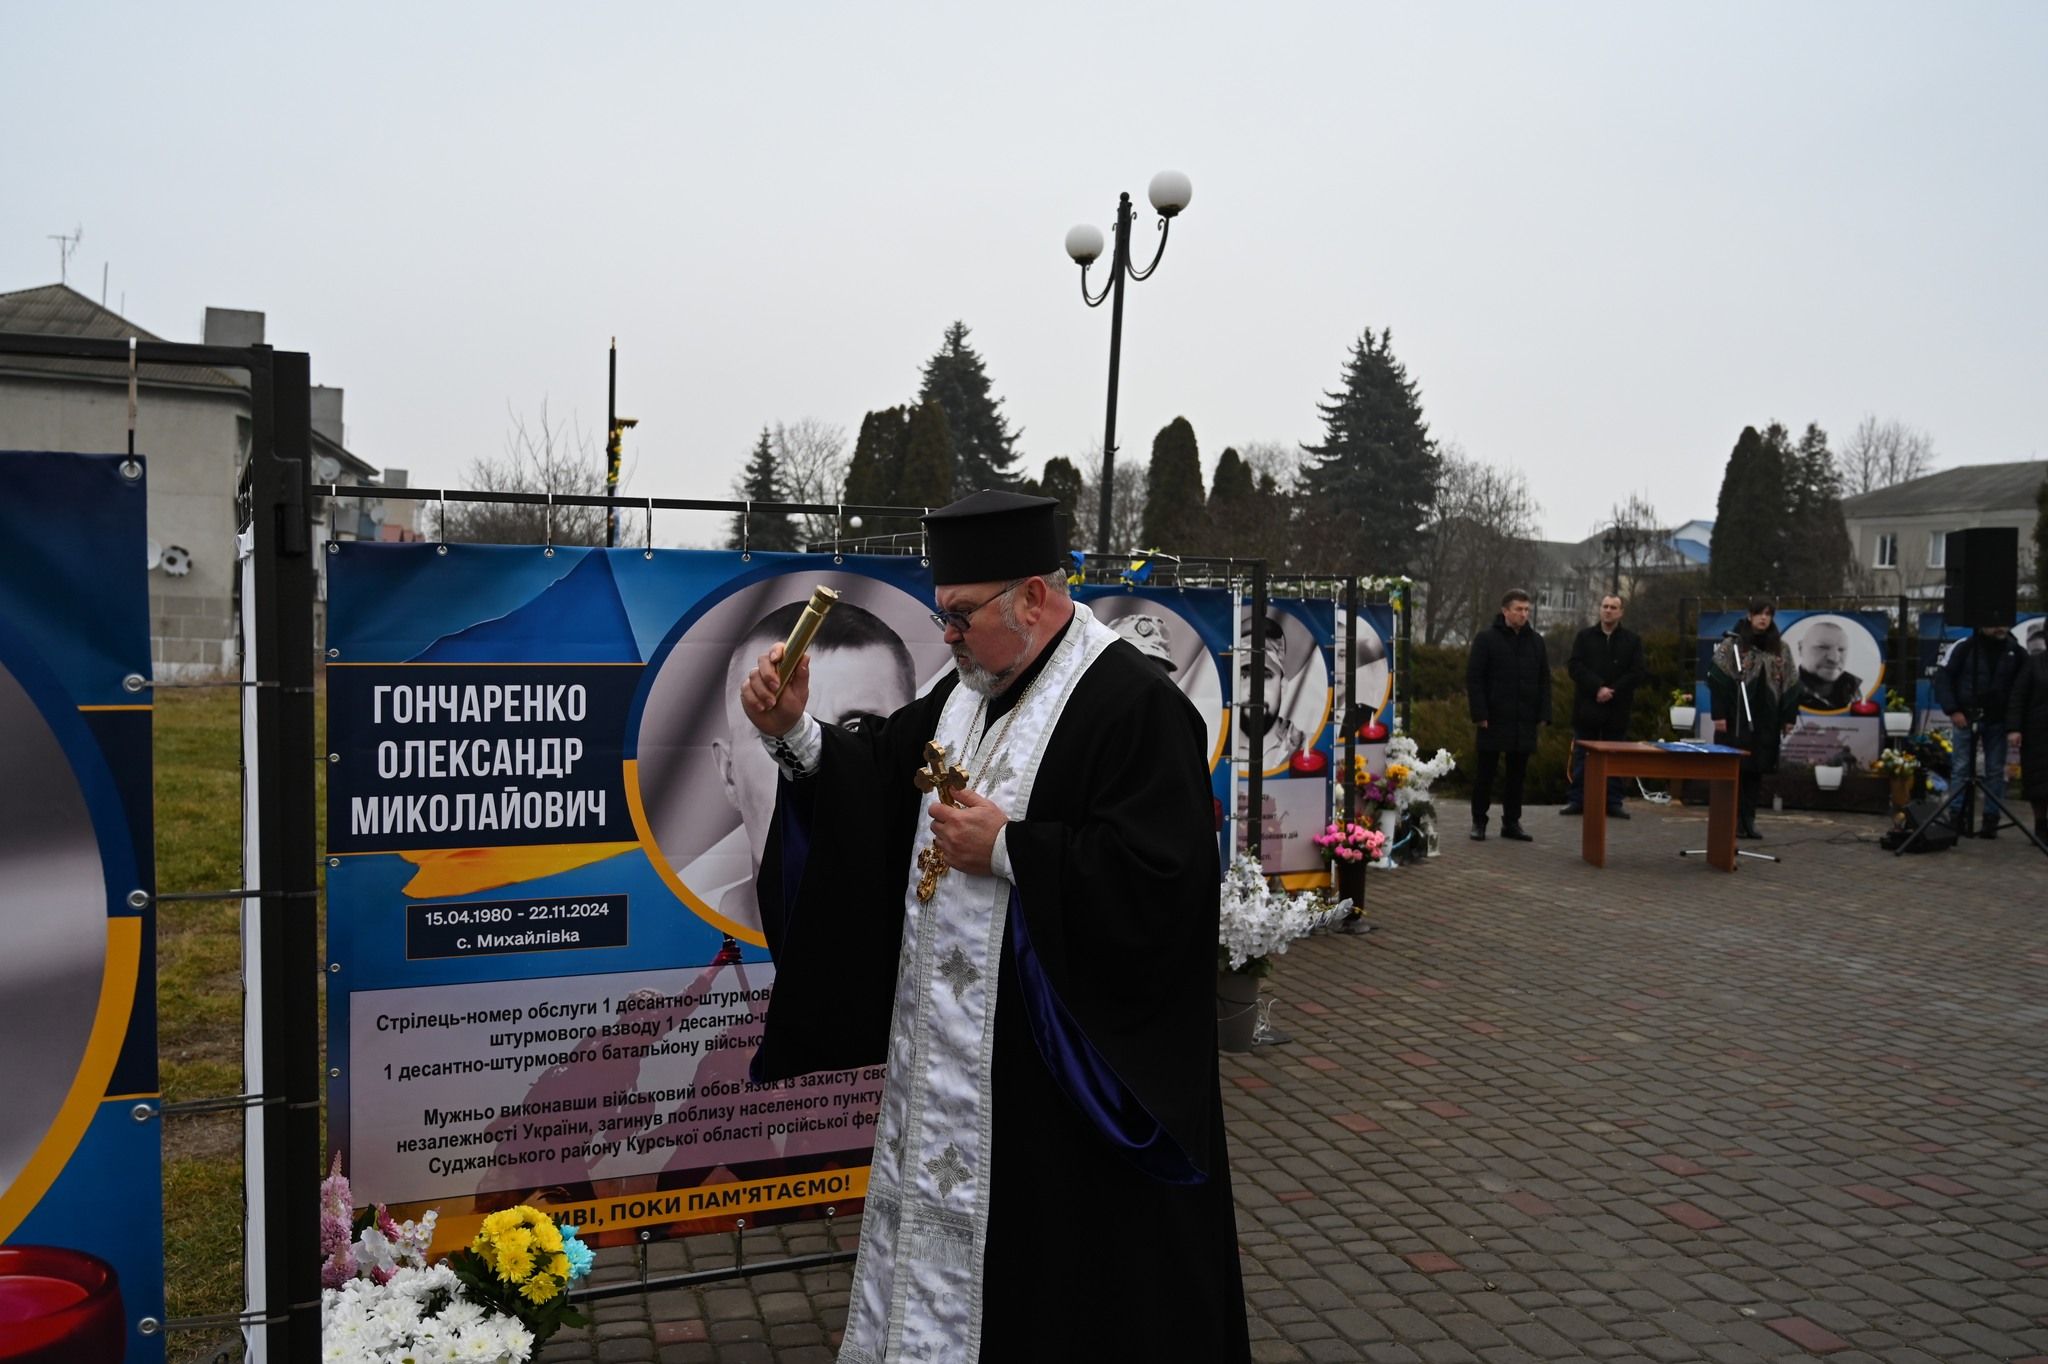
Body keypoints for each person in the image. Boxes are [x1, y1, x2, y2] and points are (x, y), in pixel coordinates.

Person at [738, 490, 1249, 1362]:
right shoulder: (968, 697)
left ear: (1036, 600)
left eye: (963, 617)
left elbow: (1166, 883)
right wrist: (795, 734)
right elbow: (876, 776)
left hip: (1057, 1080)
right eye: (945, 618)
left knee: (1059, 1286)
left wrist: (1013, 849)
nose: (950, 637)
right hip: (950, 1065)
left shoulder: (1133, 706)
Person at [682, 598, 916, 935]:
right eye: (776, 731)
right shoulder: (683, 927)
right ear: (729, 773)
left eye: (856, 729)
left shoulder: (944, 933)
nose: (814, 757)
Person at [1708, 600, 1803, 840]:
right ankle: (1732, 819)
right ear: (1749, 616)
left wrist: (1788, 717)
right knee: (1736, 768)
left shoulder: (1780, 647)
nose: (1763, 618)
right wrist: (1719, 715)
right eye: (1759, 614)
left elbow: (1791, 683)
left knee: (1756, 769)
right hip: (1736, 717)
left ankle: (1749, 819)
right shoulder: (1733, 644)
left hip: (1765, 720)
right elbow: (1717, 679)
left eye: (1768, 614)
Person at [1466, 588, 1551, 842]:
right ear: (1505, 611)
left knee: (1517, 775)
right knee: (1486, 773)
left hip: (1523, 718)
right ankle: (1479, 822)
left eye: (1527, 610)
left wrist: (1543, 713)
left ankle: (1511, 822)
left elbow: (1544, 679)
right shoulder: (1486, 639)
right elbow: (1475, 679)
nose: (1523, 614)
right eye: (1518, 609)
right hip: (1493, 717)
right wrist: (1480, 713)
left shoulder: (1536, 641)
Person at [1933, 622, 2025, 837]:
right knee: (1961, 767)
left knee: (1995, 769)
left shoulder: (2016, 652)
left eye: (2003, 623)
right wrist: (1953, 710)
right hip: (1966, 716)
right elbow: (1943, 679)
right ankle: (1956, 816)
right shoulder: (1963, 647)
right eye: (1994, 624)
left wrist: (2014, 724)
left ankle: (1991, 820)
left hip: (1999, 720)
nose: (1999, 628)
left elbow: (2021, 689)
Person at [1561, 594, 1647, 818]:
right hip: (1587, 707)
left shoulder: (1632, 641)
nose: (1608, 610)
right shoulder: (1584, 637)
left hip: (1617, 709)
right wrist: (1597, 687)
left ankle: (1613, 801)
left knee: (1616, 756)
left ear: (1621, 612)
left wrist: (1613, 691)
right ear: (1599, 609)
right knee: (1582, 756)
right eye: (1605, 606)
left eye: (1613, 607)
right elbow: (1575, 666)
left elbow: (1637, 672)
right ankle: (1577, 799)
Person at [1234, 608, 1306, 772]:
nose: (1255, 690)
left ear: (1283, 686)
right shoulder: (1212, 750)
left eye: (1266, 677)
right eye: (1244, 676)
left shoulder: (1308, 747)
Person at [2004, 641, 2048, 842]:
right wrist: (2014, 728)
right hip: (2037, 732)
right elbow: (2018, 696)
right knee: (2037, 781)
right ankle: (2040, 826)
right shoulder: (2034, 664)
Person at [1795, 619, 1864, 710]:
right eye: (1823, 647)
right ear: (1801, 648)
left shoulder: (1853, 690)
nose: (1834, 659)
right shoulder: (1785, 692)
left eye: (1841, 649)